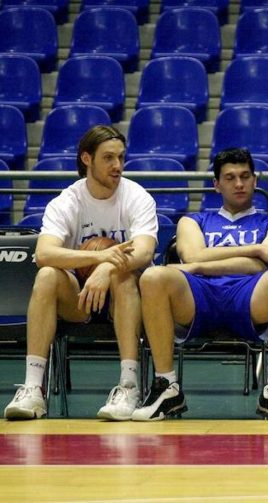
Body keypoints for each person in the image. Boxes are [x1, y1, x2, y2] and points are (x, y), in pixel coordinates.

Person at [132, 147, 268, 422]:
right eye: (229, 177)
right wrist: (257, 249)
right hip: (198, 297)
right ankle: (166, 387)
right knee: (153, 277)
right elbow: (191, 255)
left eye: (245, 176)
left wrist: (203, 264)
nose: (239, 183)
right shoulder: (193, 221)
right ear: (216, 184)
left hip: (249, 296)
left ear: (255, 180)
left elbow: (260, 267)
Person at [4, 125, 158, 421]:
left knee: (123, 276)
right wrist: (100, 256)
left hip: (123, 299)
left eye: (121, 158)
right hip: (79, 297)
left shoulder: (137, 197)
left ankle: (129, 386)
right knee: (47, 275)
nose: (117, 166)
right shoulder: (67, 201)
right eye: (109, 158)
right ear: (87, 159)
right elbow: (44, 253)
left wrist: (106, 267)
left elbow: (145, 252)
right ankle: (34, 389)